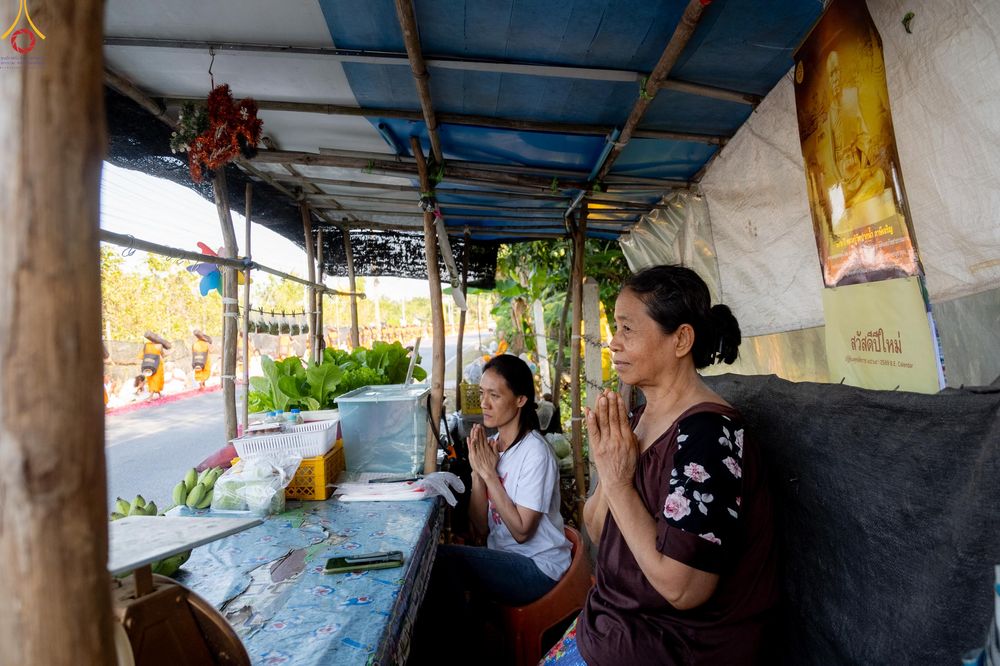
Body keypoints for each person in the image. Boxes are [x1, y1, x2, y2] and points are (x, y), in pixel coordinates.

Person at [543, 265, 777, 665]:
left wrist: (618, 485)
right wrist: (607, 469)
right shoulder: (638, 419)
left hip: (669, 647)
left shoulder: (709, 435)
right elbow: (600, 530)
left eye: (627, 329)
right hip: (612, 627)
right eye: (615, 329)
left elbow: (682, 588)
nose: (613, 343)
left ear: (681, 339)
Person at [418, 354, 572, 661]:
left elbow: (521, 532)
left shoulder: (534, 454)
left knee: (444, 563)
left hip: (539, 567)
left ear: (520, 400)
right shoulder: (494, 447)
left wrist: (490, 474)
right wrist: (478, 473)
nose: (484, 403)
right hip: (506, 557)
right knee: (439, 562)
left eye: (495, 395)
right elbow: (480, 528)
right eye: (482, 393)